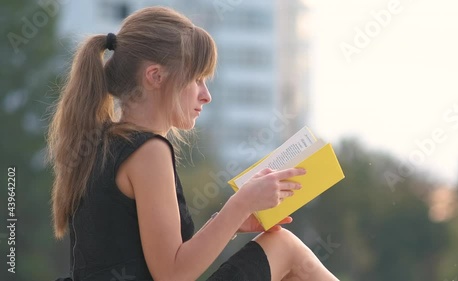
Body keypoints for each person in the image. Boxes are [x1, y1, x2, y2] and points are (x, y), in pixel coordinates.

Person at [48, 6, 339, 281]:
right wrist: (240, 204)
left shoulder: (104, 143)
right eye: (197, 79)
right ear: (155, 76)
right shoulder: (149, 151)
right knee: (283, 245)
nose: (206, 95)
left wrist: (229, 224)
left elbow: (156, 256)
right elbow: (172, 273)